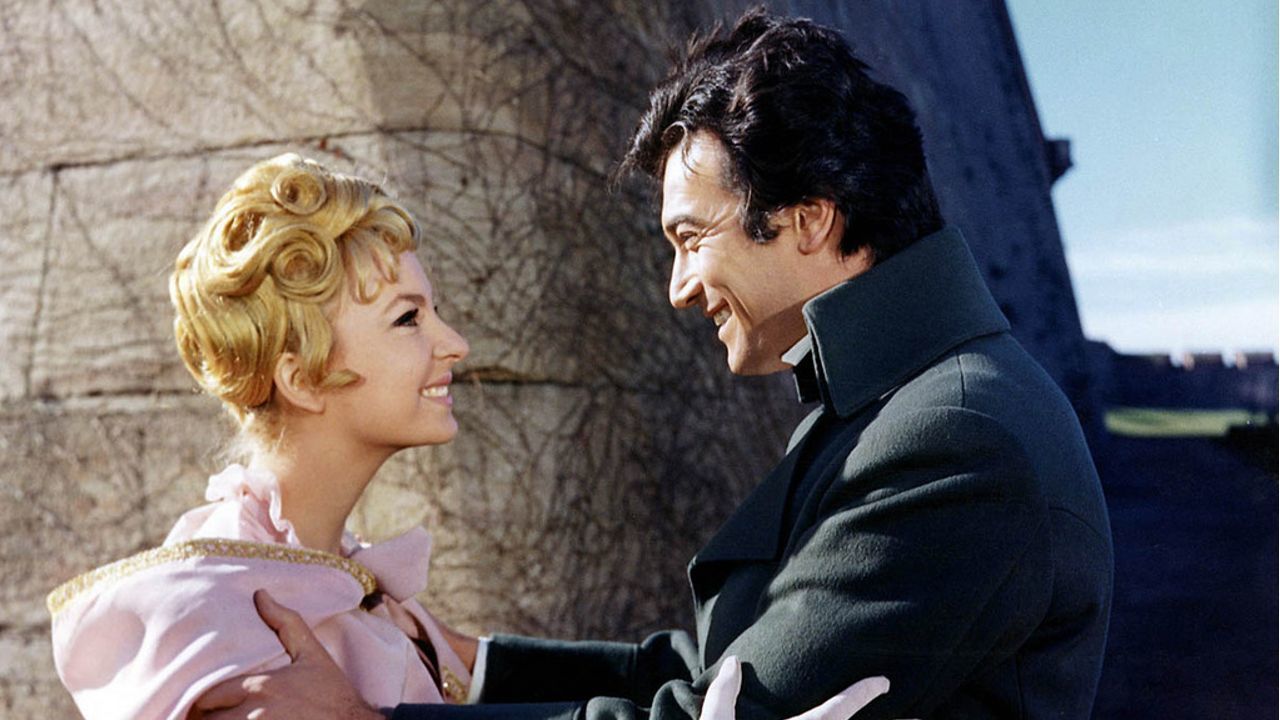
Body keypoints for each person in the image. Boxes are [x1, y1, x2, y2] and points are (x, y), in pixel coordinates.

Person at [195, 8, 1113, 720]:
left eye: (690, 238)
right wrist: (474, 663)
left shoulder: (953, 439)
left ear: (808, 220)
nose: (678, 288)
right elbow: (738, 664)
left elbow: (727, 710)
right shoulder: (913, 402)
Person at [47, 153, 476, 719]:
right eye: (408, 319)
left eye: (433, 311)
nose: (456, 345)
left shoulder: (358, 592)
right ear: (302, 379)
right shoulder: (221, 618)